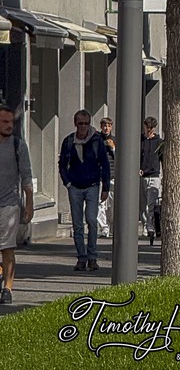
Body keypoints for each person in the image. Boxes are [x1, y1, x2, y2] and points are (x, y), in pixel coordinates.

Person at [59, 109, 111, 272]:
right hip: (74, 186)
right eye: (80, 123)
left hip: (92, 186)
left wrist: (105, 187)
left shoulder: (96, 141)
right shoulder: (69, 141)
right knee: (77, 224)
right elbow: (62, 165)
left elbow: (105, 164)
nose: (83, 127)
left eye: (86, 123)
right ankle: (81, 258)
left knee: (91, 220)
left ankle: (92, 257)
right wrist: (67, 183)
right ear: (75, 124)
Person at [0, 103, 33, 306]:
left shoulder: (17, 146)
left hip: (10, 204)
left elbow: (27, 177)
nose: (9, 125)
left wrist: (29, 204)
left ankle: (7, 288)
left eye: (11, 122)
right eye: (4, 121)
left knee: (7, 248)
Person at [140, 117, 162, 245]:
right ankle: (145, 225)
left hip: (154, 175)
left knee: (151, 204)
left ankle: (150, 227)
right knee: (142, 204)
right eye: (147, 127)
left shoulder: (159, 142)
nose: (148, 130)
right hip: (142, 175)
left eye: (151, 128)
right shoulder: (140, 140)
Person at [97, 117, 117, 237]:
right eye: (104, 125)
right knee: (100, 204)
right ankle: (104, 227)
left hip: (113, 176)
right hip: (99, 177)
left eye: (108, 126)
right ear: (101, 126)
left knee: (112, 205)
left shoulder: (115, 140)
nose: (106, 128)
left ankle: (112, 226)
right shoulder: (97, 140)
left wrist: (113, 147)